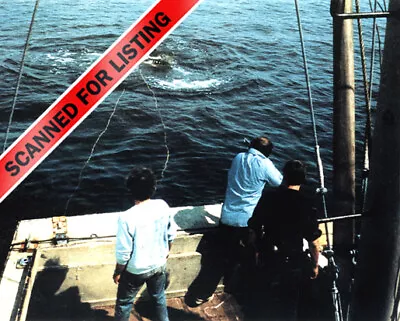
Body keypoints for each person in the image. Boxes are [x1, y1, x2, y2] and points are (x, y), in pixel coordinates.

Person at [248, 160, 322, 321]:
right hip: (292, 260)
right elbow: (313, 241)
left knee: (265, 301)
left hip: (268, 255)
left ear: (284, 176)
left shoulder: (268, 197)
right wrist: (315, 265)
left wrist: (257, 251)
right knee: (289, 305)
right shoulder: (306, 203)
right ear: (303, 179)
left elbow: (253, 228)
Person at [219, 136, 282, 295]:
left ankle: (229, 285)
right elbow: (280, 183)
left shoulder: (238, 157)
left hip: (226, 217)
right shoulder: (266, 164)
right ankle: (246, 291)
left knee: (228, 256)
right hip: (247, 222)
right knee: (250, 258)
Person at [113, 167, 176, 321]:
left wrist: (118, 272)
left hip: (135, 270)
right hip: (159, 264)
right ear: (153, 188)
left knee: (124, 302)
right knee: (159, 297)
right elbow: (171, 234)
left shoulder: (126, 217)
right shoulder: (162, 205)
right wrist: (166, 253)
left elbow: (124, 253)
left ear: (130, 190)